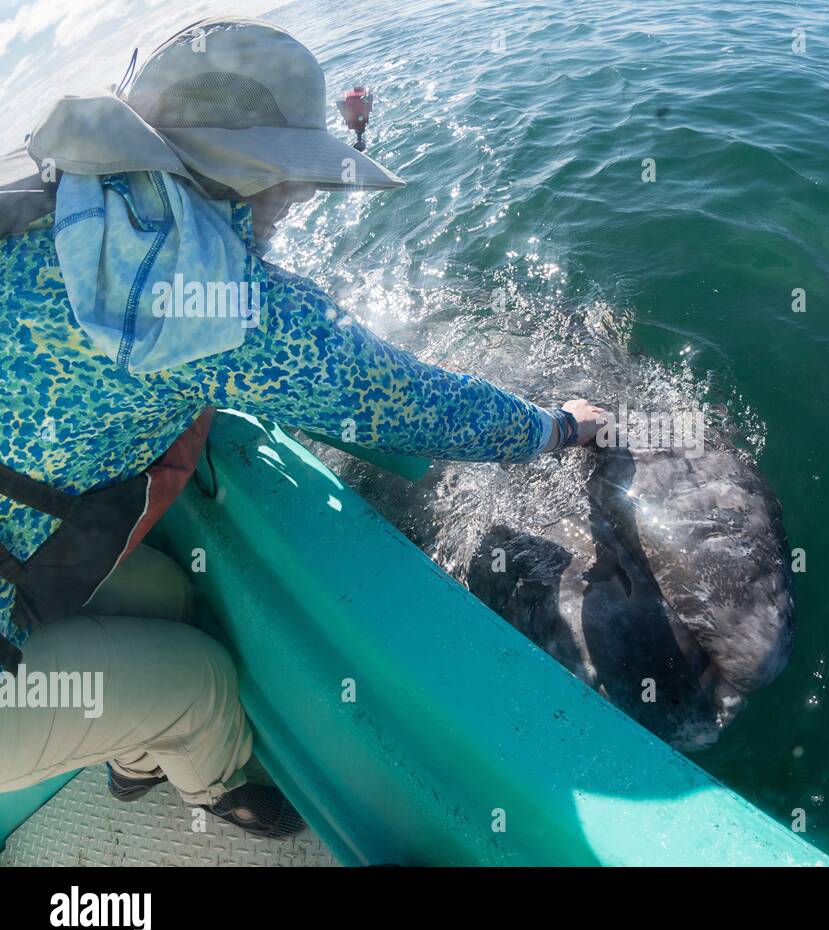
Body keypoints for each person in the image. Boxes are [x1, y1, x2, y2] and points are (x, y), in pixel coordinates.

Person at [0, 18, 606, 839]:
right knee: (203, 683)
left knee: (172, 596)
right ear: (259, 178)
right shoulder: (235, 315)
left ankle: (131, 748)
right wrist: (553, 427)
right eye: (291, 180)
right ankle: (215, 789)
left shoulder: (43, 199)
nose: (295, 200)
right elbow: (409, 401)